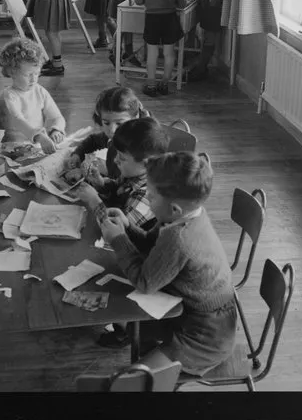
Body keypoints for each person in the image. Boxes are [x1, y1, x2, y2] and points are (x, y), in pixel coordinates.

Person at [98, 151, 237, 373]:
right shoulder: (182, 217)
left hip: (207, 333)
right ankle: (141, 341)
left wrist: (118, 240)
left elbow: (144, 283)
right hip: (187, 310)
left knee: (136, 378)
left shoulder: (179, 237)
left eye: (150, 197)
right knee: (127, 322)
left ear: (174, 209)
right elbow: (151, 244)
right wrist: (127, 227)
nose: (147, 200)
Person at [75, 118, 169, 348]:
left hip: (138, 262)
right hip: (135, 252)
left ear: (146, 163)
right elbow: (118, 190)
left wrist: (96, 201)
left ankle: (126, 329)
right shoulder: (134, 175)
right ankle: (123, 326)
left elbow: (115, 231)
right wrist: (100, 182)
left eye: (122, 158)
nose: (115, 160)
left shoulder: (148, 192)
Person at [64, 86, 150, 185]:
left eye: (119, 124)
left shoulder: (139, 149)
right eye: (106, 123)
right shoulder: (119, 135)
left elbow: (122, 189)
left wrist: (88, 178)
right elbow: (93, 140)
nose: (112, 130)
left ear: (135, 119)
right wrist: (78, 154)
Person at [135, 0, 188, 97]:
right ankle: (165, 83)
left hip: (152, 20)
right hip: (170, 20)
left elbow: (138, 1)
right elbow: (183, 4)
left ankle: (151, 84)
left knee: (152, 53)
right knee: (169, 53)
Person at [0, 37, 66, 154]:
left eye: (37, 73)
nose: (33, 79)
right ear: (11, 72)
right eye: (28, 74)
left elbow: (56, 117)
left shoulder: (40, 91)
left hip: (37, 147)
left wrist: (56, 130)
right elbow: (18, 120)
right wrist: (39, 136)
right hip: (12, 149)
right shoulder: (8, 95)